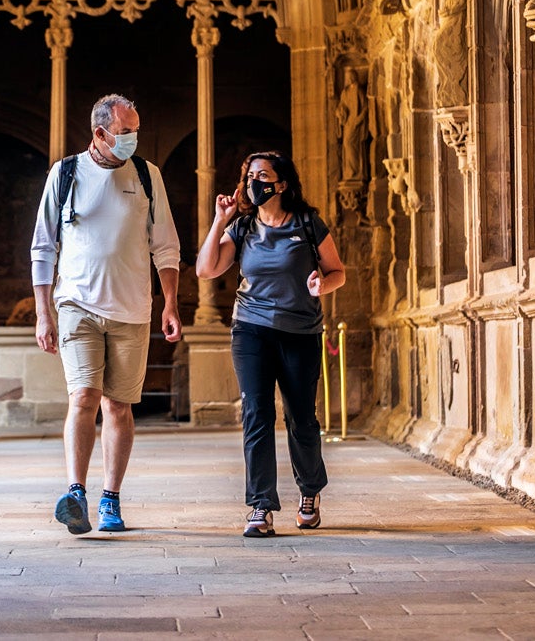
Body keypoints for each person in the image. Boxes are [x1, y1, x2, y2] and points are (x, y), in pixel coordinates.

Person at [31, 94, 182, 534]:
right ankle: (75, 492)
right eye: (125, 132)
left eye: (136, 130)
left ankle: (111, 498)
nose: (133, 139)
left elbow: (166, 245)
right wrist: (44, 313)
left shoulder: (148, 176)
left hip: (132, 309)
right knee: (83, 397)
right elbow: (43, 247)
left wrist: (170, 302)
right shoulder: (65, 174)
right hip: (76, 304)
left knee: (118, 405)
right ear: (99, 133)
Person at [195, 151, 346, 537]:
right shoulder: (243, 227)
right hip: (251, 330)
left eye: (262, 175)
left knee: (301, 418)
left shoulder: (309, 223)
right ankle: (260, 507)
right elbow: (206, 269)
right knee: (256, 414)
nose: (253, 183)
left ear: (282, 183)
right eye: (248, 176)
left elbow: (337, 272)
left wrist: (322, 284)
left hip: (300, 331)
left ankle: (309, 492)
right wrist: (219, 221)